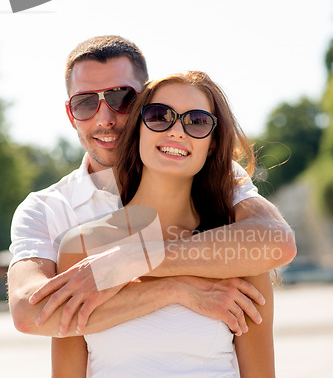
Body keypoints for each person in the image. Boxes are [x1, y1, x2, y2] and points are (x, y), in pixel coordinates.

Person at [47, 71, 287, 378]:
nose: (177, 131)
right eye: (159, 115)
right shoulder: (81, 247)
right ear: (137, 129)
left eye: (196, 121)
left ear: (212, 146)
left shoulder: (236, 250)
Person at [8, 35, 296, 340]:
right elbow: (30, 311)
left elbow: (277, 240)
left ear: (145, 102)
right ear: (71, 114)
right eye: (86, 103)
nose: (105, 119)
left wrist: (128, 260)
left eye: (121, 98)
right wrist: (173, 289)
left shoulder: (207, 175)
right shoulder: (44, 208)